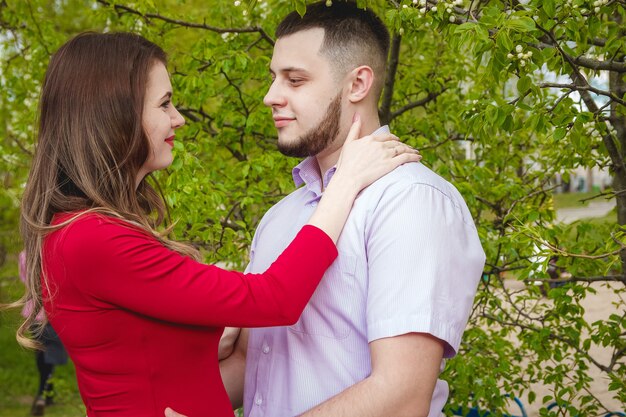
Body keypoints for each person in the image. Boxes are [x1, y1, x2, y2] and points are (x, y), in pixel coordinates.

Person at [9, 31, 420, 417]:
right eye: (164, 104)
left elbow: (144, 354)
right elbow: (275, 299)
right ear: (116, 115)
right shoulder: (92, 237)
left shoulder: (88, 231)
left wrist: (209, 338)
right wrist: (344, 183)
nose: (178, 118)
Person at [210, 3, 486, 417]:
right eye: (273, 78)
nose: (270, 97)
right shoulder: (281, 217)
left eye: (295, 80)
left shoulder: (410, 201)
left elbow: (401, 397)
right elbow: (254, 365)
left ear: (357, 83)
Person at [18, 250, 69, 416]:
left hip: (32, 312)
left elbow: (23, 278)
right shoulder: (53, 253)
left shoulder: (24, 254)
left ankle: (49, 394)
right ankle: (41, 396)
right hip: (50, 311)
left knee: (42, 354)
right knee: (51, 355)